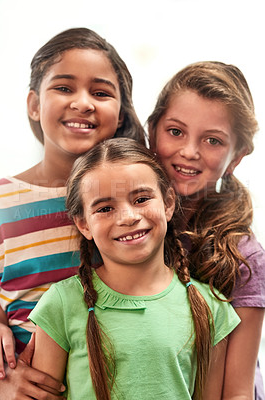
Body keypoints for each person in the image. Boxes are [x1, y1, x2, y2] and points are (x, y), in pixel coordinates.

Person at [29, 138, 240, 400]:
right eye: (105, 208)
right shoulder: (61, 304)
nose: (128, 217)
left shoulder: (211, 308)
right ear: (84, 224)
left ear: (168, 203)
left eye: (141, 199)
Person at [0, 27, 145, 399]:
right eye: (64, 88)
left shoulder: (137, 203)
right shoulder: (2, 199)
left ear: (121, 112)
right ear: (33, 104)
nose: (83, 103)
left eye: (100, 93)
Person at [147, 61, 265, 399]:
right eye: (175, 131)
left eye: (212, 140)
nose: (189, 151)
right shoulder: (125, 228)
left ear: (237, 156)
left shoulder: (245, 257)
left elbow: (238, 392)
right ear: (152, 130)